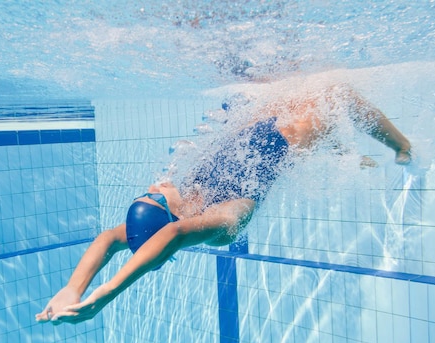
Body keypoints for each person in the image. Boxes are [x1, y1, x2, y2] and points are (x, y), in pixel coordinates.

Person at [35, 85, 412, 325]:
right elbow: (174, 235)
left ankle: (348, 155)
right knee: (339, 96)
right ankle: (402, 147)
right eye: (155, 195)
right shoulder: (221, 221)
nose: (155, 185)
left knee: (268, 86)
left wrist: (73, 288)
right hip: (290, 137)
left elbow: (106, 239)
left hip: (259, 128)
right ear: (171, 213)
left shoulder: (178, 204)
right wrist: (105, 294)